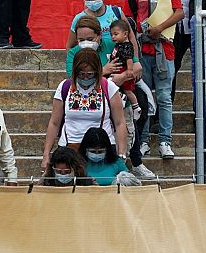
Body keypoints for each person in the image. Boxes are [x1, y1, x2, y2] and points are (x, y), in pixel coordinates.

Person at [64, 15, 156, 179]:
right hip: (90, 109)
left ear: (99, 35)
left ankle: (128, 168)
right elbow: (74, 79)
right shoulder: (73, 54)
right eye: (81, 39)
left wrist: (121, 78)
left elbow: (136, 67)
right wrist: (106, 73)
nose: (85, 42)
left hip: (119, 103)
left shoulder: (114, 44)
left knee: (124, 142)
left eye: (90, 38)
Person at [123, 0, 184, 159]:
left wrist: (159, 28)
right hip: (142, 53)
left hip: (164, 50)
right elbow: (127, 25)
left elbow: (180, 12)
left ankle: (165, 141)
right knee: (144, 97)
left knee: (165, 97)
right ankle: (144, 140)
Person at [42, 48, 128, 172]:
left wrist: (122, 153)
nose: (86, 78)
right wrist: (46, 154)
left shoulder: (109, 88)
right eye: (81, 74)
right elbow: (54, 123)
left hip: (100, 150)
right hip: (70, 147)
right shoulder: (65, 87)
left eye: (90, 74)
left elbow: (120, 123)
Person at [65, 0, 139, 52]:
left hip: (117, 61)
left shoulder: (116, 12)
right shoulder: (79, 19)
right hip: (92, 62)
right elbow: (69, 46)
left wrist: (135, 61)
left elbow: (131, 37)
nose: (92, 0)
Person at [108, 19, 141, 119]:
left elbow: (129, 59)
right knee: (122, 89)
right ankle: (129, 102)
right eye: (111, 35)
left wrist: (129, 71)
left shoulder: (126, 47)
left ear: (125, 34)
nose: (113, 37)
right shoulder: (119, 45)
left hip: (122, 71)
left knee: (126, 90)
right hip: (117, 70)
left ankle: (134, 105)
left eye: (116, 34)